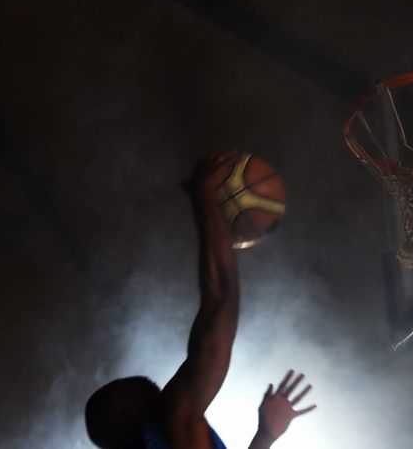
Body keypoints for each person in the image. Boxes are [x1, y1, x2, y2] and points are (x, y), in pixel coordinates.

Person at [85, 152, 317, 449]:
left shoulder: (175, 430)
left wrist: (264, 437)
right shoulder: (172, 417)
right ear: (125, 414)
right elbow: (221, 299)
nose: (137, 380)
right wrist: (205, 196)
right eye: (120, 387)